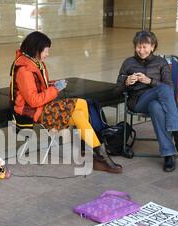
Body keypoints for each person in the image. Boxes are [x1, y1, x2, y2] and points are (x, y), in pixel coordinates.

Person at [10, 31, 122, 174]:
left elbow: (39, 88)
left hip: (43, 107)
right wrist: (55, 89)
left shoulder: (35, 63)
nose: (47, 54)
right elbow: (33, 101)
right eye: (46, 50)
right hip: (33, 112)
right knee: (80, 104)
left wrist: (54, 84)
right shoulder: (24, 70)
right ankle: (97, 153)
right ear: (36, 49)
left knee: (79, 114)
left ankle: (96, 152)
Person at [116, 30, 178, 172]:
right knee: (162, 90)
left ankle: (168, 154)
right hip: (138, 101)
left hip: (157, 102)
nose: (141, 50)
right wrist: (126, 81)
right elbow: (117, 88)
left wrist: (149, 81)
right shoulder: (128, 62)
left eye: (145, 47)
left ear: (153, 47)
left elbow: (170, 87)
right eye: (138, 47)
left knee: (156, 105)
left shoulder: (161, 62)